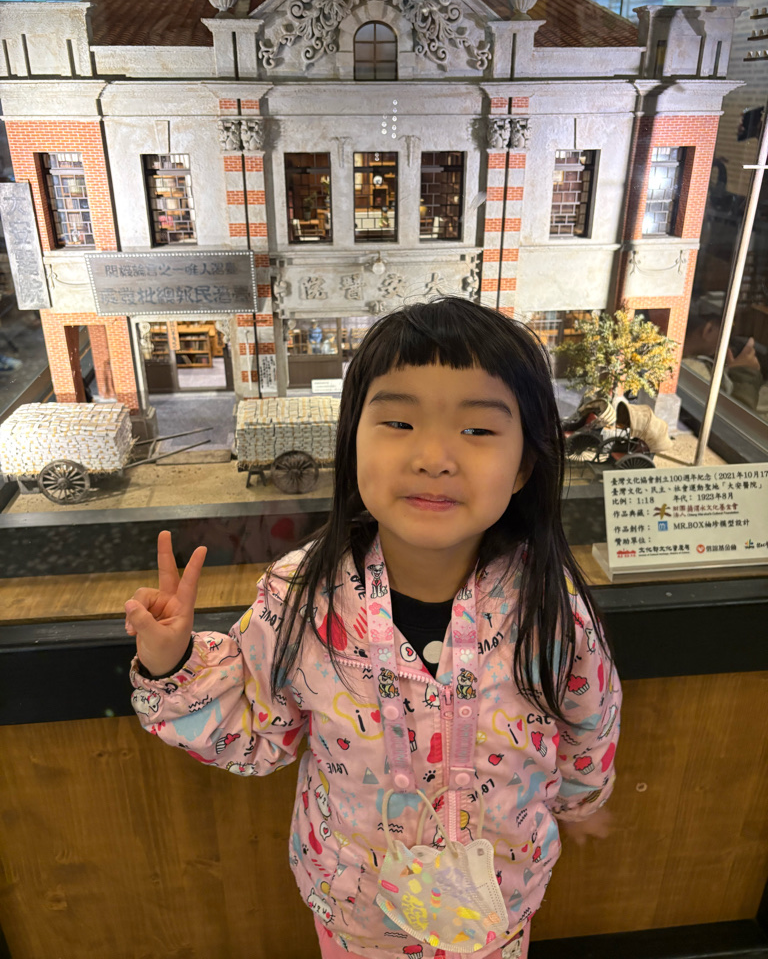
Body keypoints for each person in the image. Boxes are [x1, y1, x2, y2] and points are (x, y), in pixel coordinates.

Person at [125, 297, 621, 959]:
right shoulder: (299, 596)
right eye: (398, 422)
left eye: (478, 429)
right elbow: (259, 738)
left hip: (496, 909)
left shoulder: (551, 603)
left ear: (525, 466)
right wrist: (174, 664)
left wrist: (583, 804)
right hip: (356, 917)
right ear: (352, 439)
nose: (434, 457)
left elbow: (589, 723)